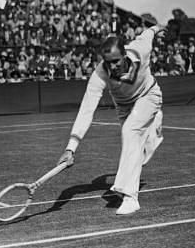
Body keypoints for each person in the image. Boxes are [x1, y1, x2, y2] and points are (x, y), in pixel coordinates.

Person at [58, 25, 166, 215]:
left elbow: (149, 33)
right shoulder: (100, 74)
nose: (112, 66)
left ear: (124, 54)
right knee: (135, 148)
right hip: (124, 106)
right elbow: (86, 110)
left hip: (149, 95)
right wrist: (70, 147)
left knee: (131, 131)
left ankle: (130, 197)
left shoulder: (141, 48)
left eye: (116, 61)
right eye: (107, 62)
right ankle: (152, 133)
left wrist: (158, 28)